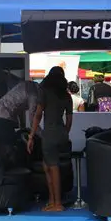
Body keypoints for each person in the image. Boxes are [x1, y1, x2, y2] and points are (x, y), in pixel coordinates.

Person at [27, 66, 73, 212]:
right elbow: (69, 119)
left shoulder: (45, 92)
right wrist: (64, 132)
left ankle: (57, 203)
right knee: (47, 165)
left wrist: (31, 135)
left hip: (49, 133)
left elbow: (38, 115)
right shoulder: (67, 96)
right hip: (61, 133)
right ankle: (52, 201)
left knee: (52, 167)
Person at [0, 80, 39, 149]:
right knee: (10, 148)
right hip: (2, 119)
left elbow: (18, 105)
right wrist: (42, 135)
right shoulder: (34, 95)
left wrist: (22, 125)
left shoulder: (28, 84)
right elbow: (33, 118)